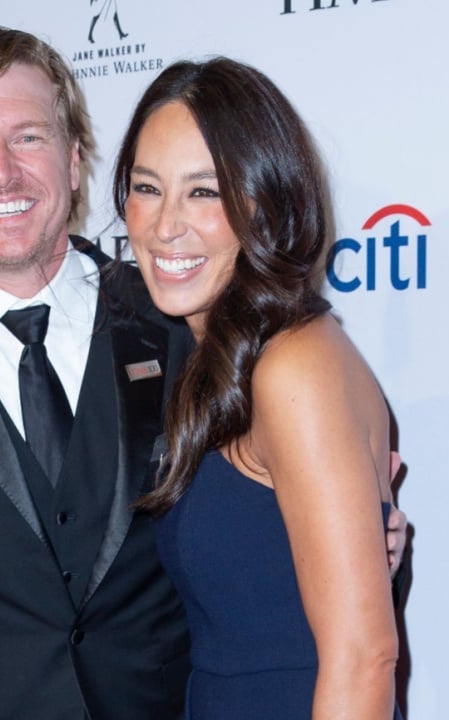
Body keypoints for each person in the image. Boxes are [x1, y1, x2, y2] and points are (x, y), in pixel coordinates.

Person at [0, 24, 408, 720]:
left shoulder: (185, 321)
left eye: (28, 136)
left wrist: (368, 539)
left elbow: (284, 555)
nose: (1, 172)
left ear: (73, 159)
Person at [114, 58, 403, 719]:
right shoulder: (213, 356)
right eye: (147, 187)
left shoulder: (295, 366)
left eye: (204, 193)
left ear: (264, 201)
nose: (165, 226)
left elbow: (364, 658)